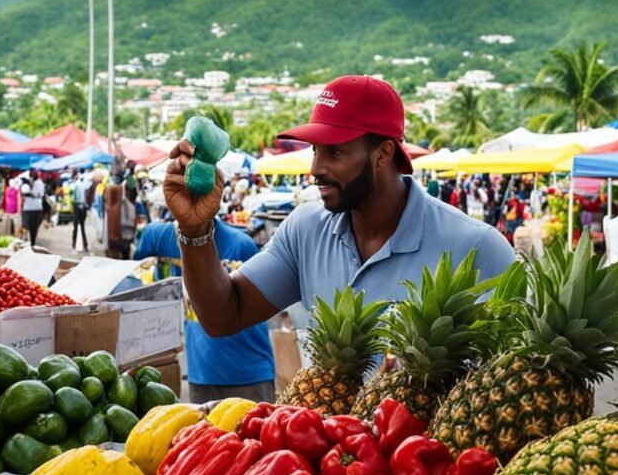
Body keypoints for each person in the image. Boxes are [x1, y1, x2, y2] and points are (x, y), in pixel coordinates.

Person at [163, 75, 514, 341]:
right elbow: (224, 316)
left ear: (383, 153)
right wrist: (195, 229)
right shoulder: (305, 229)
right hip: (323, 437)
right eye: (315, 150)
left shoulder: (477, 247)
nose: (315, 168)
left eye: (334, 152)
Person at [135, 218, 276, 402]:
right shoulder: (164, 238)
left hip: (246, 374)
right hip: (200, 375)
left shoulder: (240, 245)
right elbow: (136, 260)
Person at [103, 172, 128, 259]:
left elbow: (108, 204)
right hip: (119, 217)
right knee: (116, 242)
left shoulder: (110, 187)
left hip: (111, 216)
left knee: (112, 243)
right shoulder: (121, 188)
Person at [72, 168, 95, 252]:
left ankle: (83, 244)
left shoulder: (84, 183)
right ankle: (75, 245)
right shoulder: (77, 183)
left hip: (80, 205)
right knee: (77, 226)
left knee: (80, 226)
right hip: (78, 205)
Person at [21, 169, 45, 246]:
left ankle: (32, 244)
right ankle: (26, 243)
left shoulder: (39, 183)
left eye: (32, 174)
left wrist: (30, 193)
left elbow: (40, 194)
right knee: (25, 226)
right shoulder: (28, 183)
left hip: (36, 209)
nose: (31, 176)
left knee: (34, 229)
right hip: (27, 209)